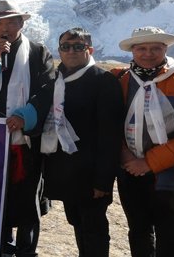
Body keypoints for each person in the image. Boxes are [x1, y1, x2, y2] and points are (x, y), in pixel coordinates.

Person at [0, 0, 56, 257]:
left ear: (20, 24)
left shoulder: (38, 53)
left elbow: (47, 89)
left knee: (28, 198)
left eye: (10, 22)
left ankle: (27, 250)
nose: (5, 27)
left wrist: (25, 116)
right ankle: (2, 246)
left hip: (25, 140)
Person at [114, 26, 174, 257]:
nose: (148, 54)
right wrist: (125, 155)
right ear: (132, 51)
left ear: (165, 48)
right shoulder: (120, 80)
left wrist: (148, 163)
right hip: (130, 171)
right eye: (141, 48)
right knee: (138, 230)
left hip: (170, 174)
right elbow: (110, 122)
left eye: (155, 48)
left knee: (170, 234)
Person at [40, 28, 123, 257]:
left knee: (94, 228)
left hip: (91, 174)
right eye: (65, 47)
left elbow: (110, 135)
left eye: (78, 46)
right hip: (65, 171)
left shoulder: (104, 81)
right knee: (77, 222)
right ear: (59, 51)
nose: (71, 51)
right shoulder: (56, 79)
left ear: (90, 50)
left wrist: (103, 180)